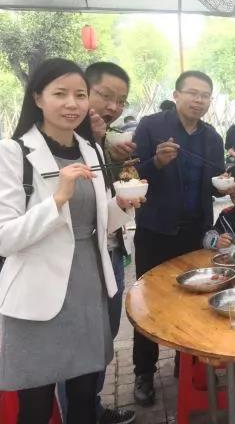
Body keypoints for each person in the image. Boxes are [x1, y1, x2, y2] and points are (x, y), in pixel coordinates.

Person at [0, 58, 141, 424]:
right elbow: (5, 238)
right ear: (38, 97)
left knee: (83, 399)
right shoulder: (13, 153)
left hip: (87, 289)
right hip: (37, 297)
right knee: (35, 408)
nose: (72, 104)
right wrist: (58, 198)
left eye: (80, 95)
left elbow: (96, 224)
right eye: (60, 94)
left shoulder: (90, 150)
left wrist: (123, 205)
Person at [131, 70, 225, 405]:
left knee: (195, 302)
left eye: (205, 95)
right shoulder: (151, 127)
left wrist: (226, 184)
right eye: (192, 93)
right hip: (155, 231)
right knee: (148, 304)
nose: (199, 100)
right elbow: (131, 174)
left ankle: (187, 365)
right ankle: (144, 372)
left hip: (195, 234)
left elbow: (216, 182)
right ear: (176, 95)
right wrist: (156, 162)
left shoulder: (212, 137)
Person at [85, 61, 136, 424]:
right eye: (105, 95)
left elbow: (112, 196)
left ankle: (92, 407)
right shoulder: (57, 143)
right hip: (81, 260)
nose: (113, 107)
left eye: (121, 100)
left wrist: (113, 156)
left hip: (114, 253)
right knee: (81, 345)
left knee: (106, 336)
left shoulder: (104, 140)